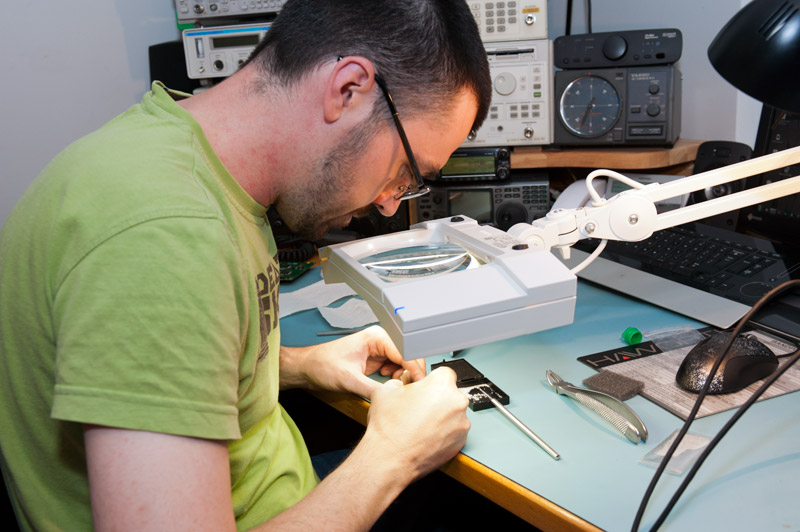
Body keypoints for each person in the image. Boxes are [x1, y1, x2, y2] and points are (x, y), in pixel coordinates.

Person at [0, 0, 492, 530]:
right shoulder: (166, 236)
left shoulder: (186, 157)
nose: (391, 204)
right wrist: (392, 456)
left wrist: (300, 365)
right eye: (406, 170)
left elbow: (164, 364)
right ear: (348, 89)